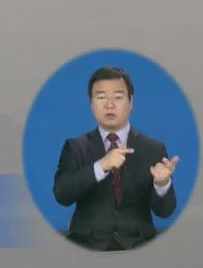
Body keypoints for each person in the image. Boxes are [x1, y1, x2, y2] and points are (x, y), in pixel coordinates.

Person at [52, 66, 179, 251]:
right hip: (87, 246)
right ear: (91, 103)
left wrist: (162, 184)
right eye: (101, 97)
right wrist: (101, 166)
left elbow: (165, 211)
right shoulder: (75, 147)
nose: (109, 105)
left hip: (139, 246)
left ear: (131, 102)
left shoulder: (153, 148)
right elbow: (62, 195)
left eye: (118, 97)